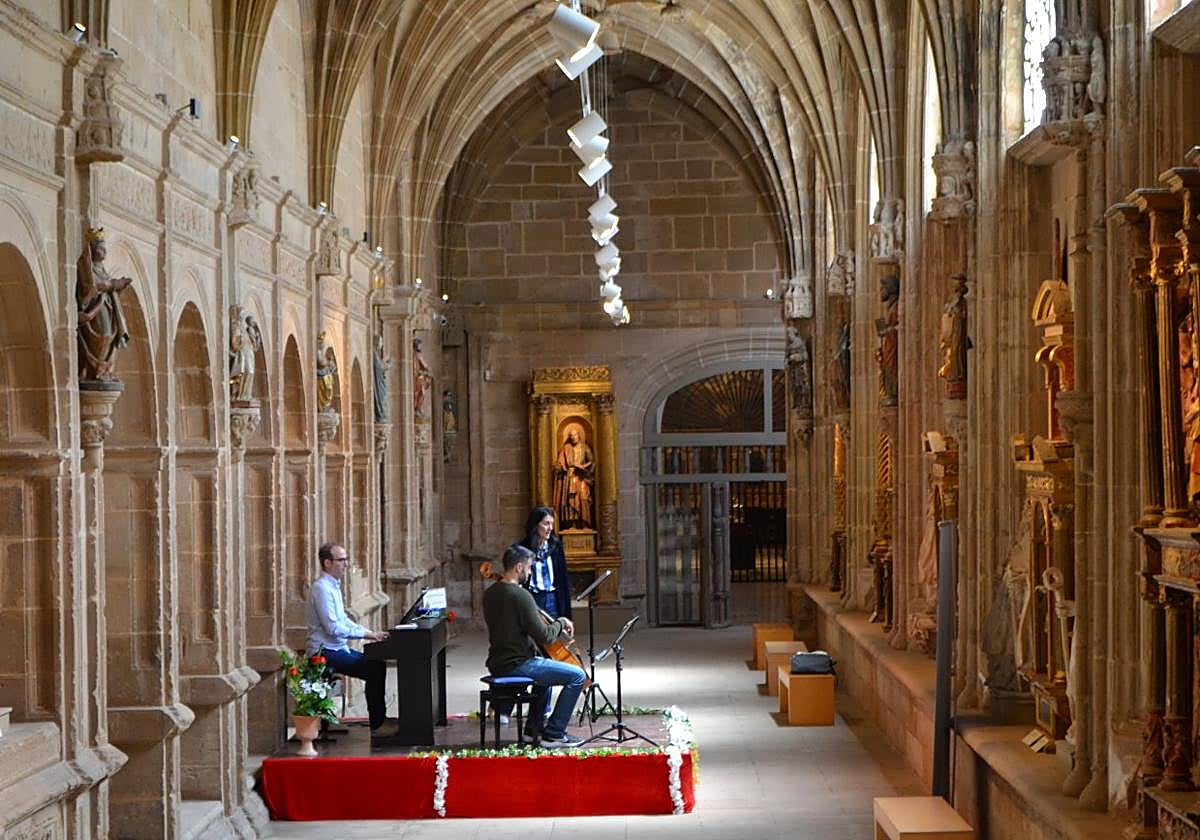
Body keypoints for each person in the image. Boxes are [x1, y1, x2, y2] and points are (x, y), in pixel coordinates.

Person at [484, 544, 586, 747]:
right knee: (577, 676)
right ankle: (555, 733)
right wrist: (562, 622)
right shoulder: (520, 596)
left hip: (497, 661)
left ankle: (534, 729)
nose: (530, 572)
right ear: (519, 568)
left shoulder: (491, 593)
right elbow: (545, 636)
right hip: (517, 663)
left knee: (545, 673)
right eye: (529, 567)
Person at [306, 542, 398, 738]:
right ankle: (378, 725)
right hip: (324, 651)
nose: (346, 564)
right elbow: (332, 627)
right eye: (341, 560)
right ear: (327, 562)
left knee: (376, 664)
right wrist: (367, 635)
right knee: (374, 669)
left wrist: (371, 632)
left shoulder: (332, 586)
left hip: (336, 648)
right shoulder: (321, 588)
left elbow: (343, 620)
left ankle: (380, 720)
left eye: (346, 559)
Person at [76, 226, 132, 382]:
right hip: (95, 308)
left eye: (104, 247)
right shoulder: (85, 266)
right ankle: (95, 371)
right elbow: (90, 287)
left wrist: (117, 286)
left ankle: (105, 370)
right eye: (100, 248)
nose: (104, 251)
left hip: (107, 307)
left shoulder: (101, 268)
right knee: (104, 335)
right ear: (92, 249)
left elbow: (105, 285)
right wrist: (112, 284)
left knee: (112, 337)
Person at [519, 506, 572, 620]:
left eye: (552, 524)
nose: (550, 528)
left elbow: (563, 580)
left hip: (552, 598)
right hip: (532, 598)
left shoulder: (556, 547)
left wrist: (567, 616)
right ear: (536, 524)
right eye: (546, 524)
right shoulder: (523, 548)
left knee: (553, 635)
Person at [553, 425, 595, 530]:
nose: (573, 437)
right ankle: (571, 524)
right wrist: (560, 467)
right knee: (570, 501)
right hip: (570, 477)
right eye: (571, 436)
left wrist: (583, 467)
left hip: (582, 478)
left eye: (575, 435)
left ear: (579, 435)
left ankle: (585, 523)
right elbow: (559, 463)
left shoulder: (585, 447)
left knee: (583, 499)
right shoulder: (566, 448)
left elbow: (592, 462)